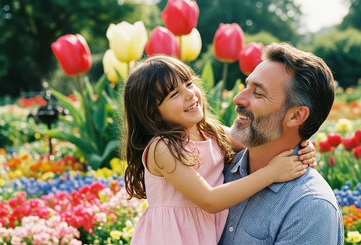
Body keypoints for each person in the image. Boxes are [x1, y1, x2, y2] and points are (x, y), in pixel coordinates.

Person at [121, 55, 317, 245]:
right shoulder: (163, 147)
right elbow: (209, 200)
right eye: (174, 94)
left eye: (189, 84)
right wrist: (271, 173)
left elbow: (261, 142)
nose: (190, 93)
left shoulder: (211, 133)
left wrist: (300, 146)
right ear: (152, 113)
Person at [219, 43, 344, 244]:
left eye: (258, 93)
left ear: (296, 115)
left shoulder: (309, 207)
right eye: (246, 86)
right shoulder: (216, 164)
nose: (237, 99)